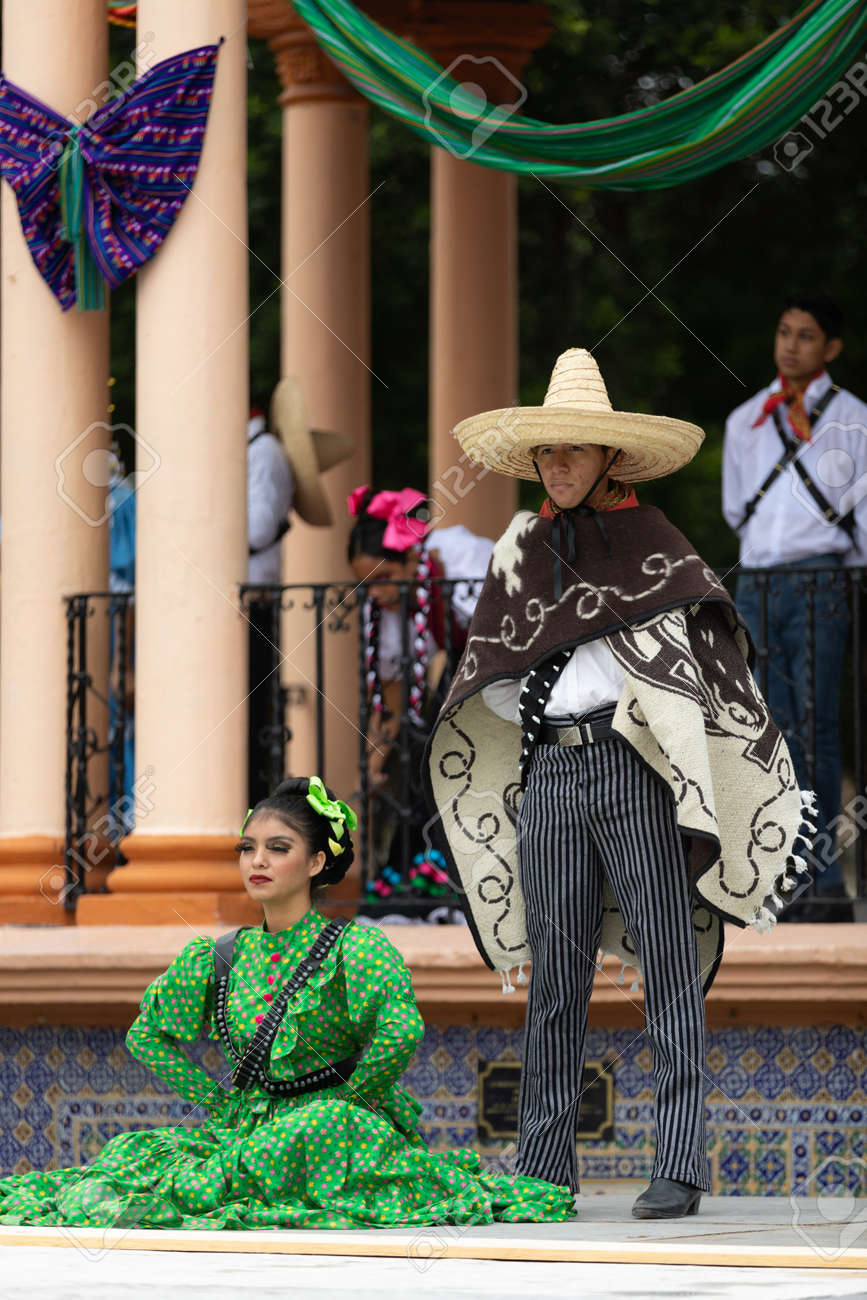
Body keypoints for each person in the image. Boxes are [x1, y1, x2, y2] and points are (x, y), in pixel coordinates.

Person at [424, 348, 816, 1220]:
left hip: (635, 767)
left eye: (573, 450)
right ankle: (542, 1168)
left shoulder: (657, 548)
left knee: (668, 961)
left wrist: (662, 724)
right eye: (546, 453)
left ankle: (677, 1162)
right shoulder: (519, 547)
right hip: (550, 767)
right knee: (554, 969)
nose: (556, 465)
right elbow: (487, 671)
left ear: (609, 459)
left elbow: (707, 671)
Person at [0, 776, 572, 1230]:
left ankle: (259, 1164)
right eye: (248, 848)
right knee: (131, 1157)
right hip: (247, 1126)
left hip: (338, 1126)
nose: (258, 862)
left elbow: (401, 1031)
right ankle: (234, 1169)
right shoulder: (219, 955)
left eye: (278, 848)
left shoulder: (355, 946)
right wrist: (219, 1104)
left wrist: (349, 1099)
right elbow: (148, 1034)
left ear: (317, 862)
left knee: (306, 1128)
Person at [722, 292, 867, 922]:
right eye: (784, 332)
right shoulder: (745, 418)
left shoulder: (855, 419)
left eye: (806, 335)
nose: (791, 345)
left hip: (821, 581)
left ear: (830, 347)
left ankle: (825, 880)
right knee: (765, 727)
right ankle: (775, 873)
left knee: (815, 725)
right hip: (756, 581)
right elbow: (736, 509)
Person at [347, 484, 493, 921]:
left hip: (504, 677)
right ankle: (427, 884)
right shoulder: (391, 608)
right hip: (460, 684)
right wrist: (375, 762)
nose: (376, 594)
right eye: (365, 585)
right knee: (421, 763)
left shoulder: (460, 556)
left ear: (412, 559)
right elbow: (392, 699)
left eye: (385, 579)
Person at [246, 378, 354, 805]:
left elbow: (256, 529)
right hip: (249, 603)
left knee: (255, 717)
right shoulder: (258, 453)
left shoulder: (264, 454)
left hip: (255, 603)